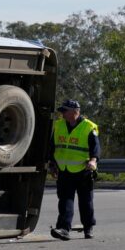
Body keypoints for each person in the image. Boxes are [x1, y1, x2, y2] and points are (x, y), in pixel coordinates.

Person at [48, 99, 100, 241]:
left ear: (75, 112)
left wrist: (93, 161)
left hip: (84, 171)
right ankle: (63, 229)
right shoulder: (58, 126)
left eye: (65, 111)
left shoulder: (89, 127)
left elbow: (95, 149)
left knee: (86, 202)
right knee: (65, 201)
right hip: (64, 170)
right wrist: (52, 165)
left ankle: (88, 228)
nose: (62, 114)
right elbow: (52, 147)